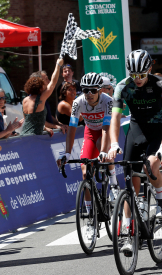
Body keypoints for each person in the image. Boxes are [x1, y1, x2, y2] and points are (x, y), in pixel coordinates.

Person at [108, 49, 162, 253]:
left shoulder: (161, 85)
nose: (137, 79)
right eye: (134, 75)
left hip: (156, 131)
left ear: (149, 69)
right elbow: (116, 118)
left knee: (152, 166)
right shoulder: (122, 87)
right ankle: (128, 234)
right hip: (135, 131)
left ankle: (161, 199)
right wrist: (113, 144)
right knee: (130, 187)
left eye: (142, 75)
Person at [56, 73, 118, 236]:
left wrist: (104, 151)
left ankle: (113, 182)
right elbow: (72, 129)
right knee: (85, 173)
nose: (89, 94)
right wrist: (67, 154)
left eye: (92, 90)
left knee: (103, 150)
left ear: (99, 90)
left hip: (105, 132)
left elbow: (105, 129)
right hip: (90, 133)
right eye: (85, 90)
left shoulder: (108, 101)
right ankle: (91, 218)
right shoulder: (78, 103)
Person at [21, 58, 63, 135]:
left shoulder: (25, 100)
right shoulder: (40, 98)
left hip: (24, 136)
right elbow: (53, 82)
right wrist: (58, 65)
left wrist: (44, 128)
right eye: (46, 79)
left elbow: (30, 121)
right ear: (40, 84)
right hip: (34, 139)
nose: (49, 81)